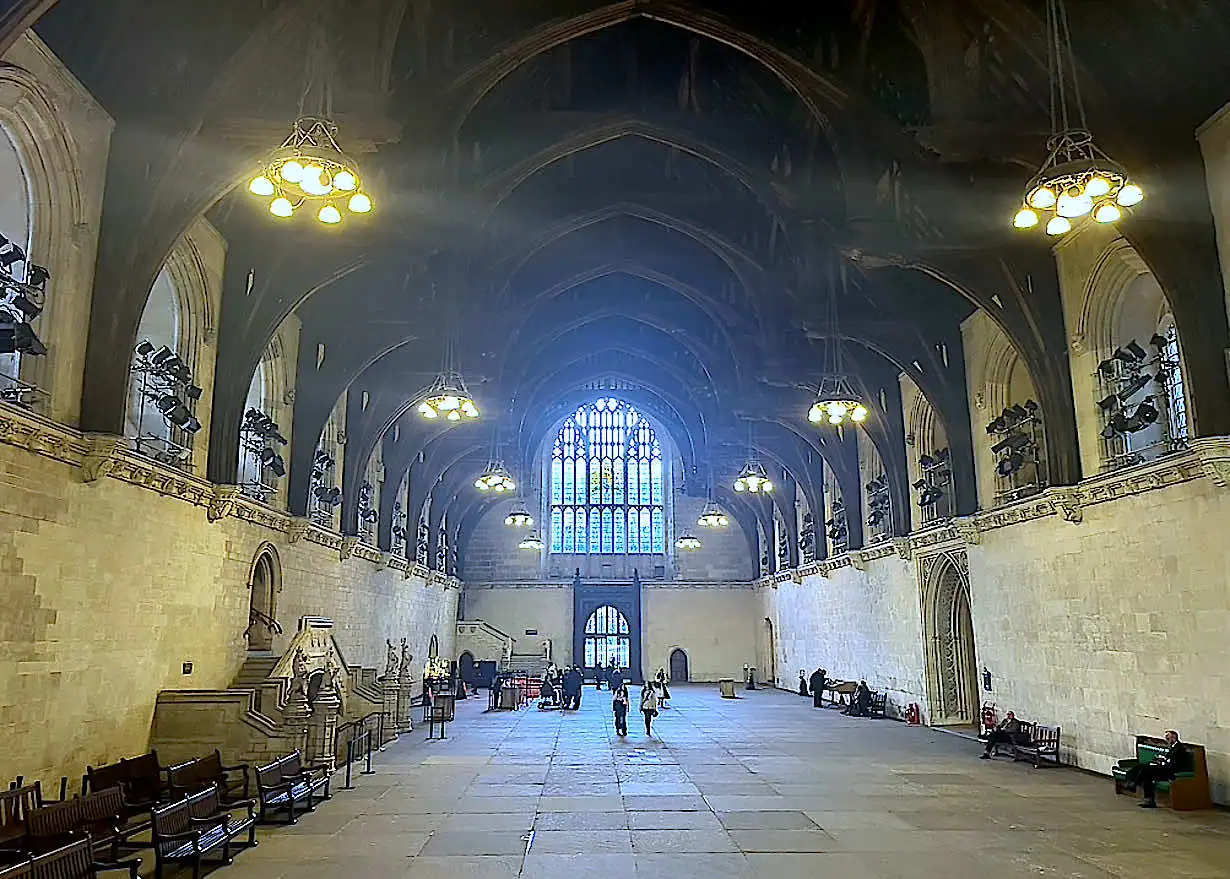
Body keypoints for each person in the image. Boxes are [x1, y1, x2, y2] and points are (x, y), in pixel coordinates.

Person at [1120, 730, 1190, 808]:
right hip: (1165, 768)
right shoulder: (1173, 747)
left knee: (1147, 770)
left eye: (1168, 738)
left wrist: (1162, 762)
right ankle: (1137, 788)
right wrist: (1160, 760)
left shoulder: (1179, 749)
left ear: (1174, 738)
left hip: (1171, 772)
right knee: (1142, 769)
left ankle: (1135, 784)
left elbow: (1173, 764)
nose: (1166, 740)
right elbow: (1168, 759)